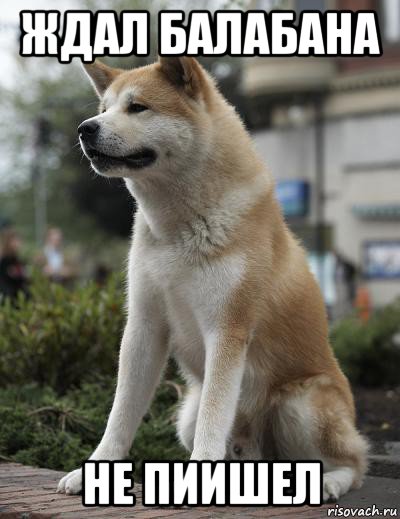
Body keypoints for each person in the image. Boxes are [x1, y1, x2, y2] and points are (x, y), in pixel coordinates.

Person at [0, 229, 28, 299]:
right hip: (9, 295)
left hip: (17, 293)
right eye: (16, 241)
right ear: (9, 243)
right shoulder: (5, 259)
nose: (19, 243)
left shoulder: (16, 258)